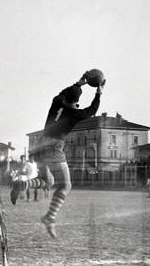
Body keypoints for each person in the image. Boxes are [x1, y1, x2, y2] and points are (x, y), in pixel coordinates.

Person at [34, 71, 104, 238]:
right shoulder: (75, 114)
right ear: (76, 102)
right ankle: (49, 217)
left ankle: (22, 184)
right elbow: (92, 109)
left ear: (65, 97)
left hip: (40, 145)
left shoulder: (56, 101)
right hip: (54, 147)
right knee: (66, 186)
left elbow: (62, 93)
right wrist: (99, 91)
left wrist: (78, 83)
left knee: (48, 181)